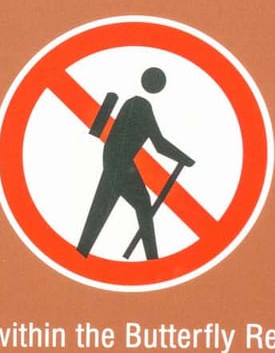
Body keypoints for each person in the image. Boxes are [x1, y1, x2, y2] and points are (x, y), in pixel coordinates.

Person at [77, 67, 192, 260]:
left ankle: (81, 254)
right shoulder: (142, 106)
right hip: (121, 165)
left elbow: (157, 144)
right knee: (138, 206)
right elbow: (159, 144)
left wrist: (182, 158)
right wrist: (184, 159)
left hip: (114, 161)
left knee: (104, 211)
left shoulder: (133, 104)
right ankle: (152, 259)